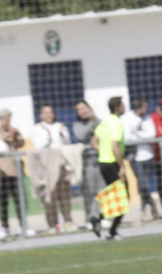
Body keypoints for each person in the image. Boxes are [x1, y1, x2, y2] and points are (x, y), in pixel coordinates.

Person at [29, 104, 78, 232]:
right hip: (46, 167)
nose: (48, 115)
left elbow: (66, 143)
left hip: (61, 165)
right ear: (41, 115)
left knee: (64, 194)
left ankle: (68, 221)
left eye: (50, 112)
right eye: (45, 113)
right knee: (49, 196)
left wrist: (61, 133)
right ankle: (53, 225)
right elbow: (38, 146)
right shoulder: (37, 129)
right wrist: (49, 137)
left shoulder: (60, 126)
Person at [91, 96, 130, 240]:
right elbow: (115, 146)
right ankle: (110, 229)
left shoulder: (105, 121)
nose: (124, 106)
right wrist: (122, 167)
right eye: (122, 104)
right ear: (117, 107)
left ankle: (100, 220)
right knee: (123, 198)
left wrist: (103, 151)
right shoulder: (116, 123)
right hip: (113, 163)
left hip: (103, 163)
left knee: (115, 196)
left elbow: (93, 142)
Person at [0, 108, 30, 237]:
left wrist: (17, 135)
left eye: (9, 119)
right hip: (2, 171)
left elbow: (21, 143)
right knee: (3, 201)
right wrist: (9, 134)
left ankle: (23, 225)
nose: (8, 121)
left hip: (16, 170)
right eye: (6, 119)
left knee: (20, 199)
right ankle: (5, 227)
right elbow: (1, 141)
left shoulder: (14, 130)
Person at [73, 100, 106, 232]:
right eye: (79, 109)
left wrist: (94, 120)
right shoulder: (77, 125)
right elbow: (81, 135)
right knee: (90, 192)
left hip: (101, 159)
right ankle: (90, 218)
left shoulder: (100, 121)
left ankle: (102, 217)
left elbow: (105, 132)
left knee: (102, 190)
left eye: (84, 108)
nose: (82, 111)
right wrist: (92, 123)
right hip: (87, 161)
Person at [122, 98, 157, 221]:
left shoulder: (147, 118)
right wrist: (141, 136)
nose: (147, 109)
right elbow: (127, 137)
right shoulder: (127, 118)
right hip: (135, 157)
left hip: (148, 156)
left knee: (144, 184)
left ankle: (147, 209)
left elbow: (152, 135)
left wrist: (137, 133)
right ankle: (148, 207)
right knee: (143, 184)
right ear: (138, 108)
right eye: (145, 107)